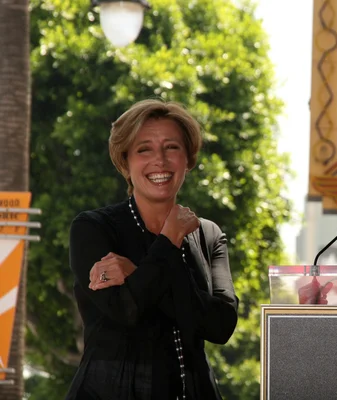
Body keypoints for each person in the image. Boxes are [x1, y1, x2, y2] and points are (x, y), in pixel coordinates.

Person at [65, 99, 238, 399]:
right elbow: (125, 310)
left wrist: (138, 272)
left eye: (172, 147)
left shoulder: (208, 235)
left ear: (188, 159)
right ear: (126, 162)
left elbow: (220, 326)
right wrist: (169, 240)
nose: (160, 160)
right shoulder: (92, 229)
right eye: (144, 149)